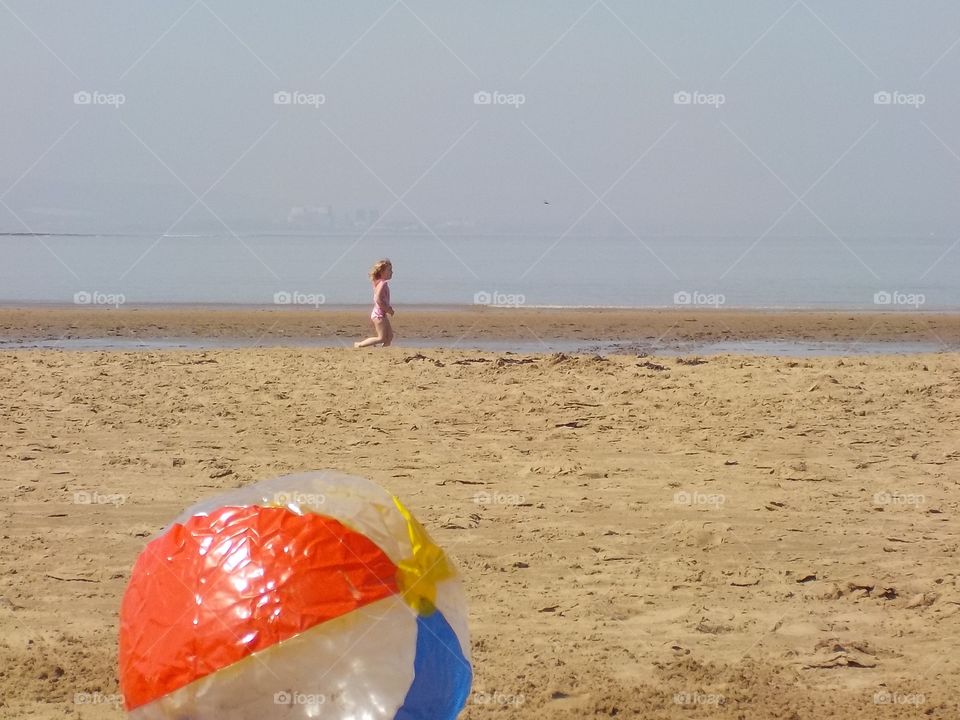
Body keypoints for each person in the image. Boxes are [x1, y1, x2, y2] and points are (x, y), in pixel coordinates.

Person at [354, 259, 395, 348]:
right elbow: (378, 299)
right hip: (379, 314)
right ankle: (359, 345)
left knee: (390, 336)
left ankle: (384, 350)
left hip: (381, 314)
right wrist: (388, 309)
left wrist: (388, 308)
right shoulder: (382, 283)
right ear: (382, 272)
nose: (392, 272)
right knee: (381, 338)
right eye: (389, 270)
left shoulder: (380, 282)